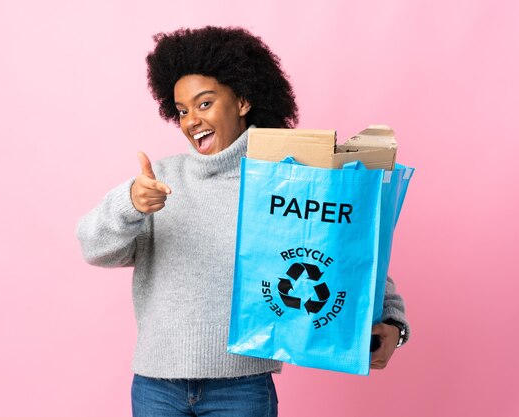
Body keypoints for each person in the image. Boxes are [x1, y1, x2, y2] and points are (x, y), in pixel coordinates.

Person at [76, 26, 409, 417]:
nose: (190, 121)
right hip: (156, 387)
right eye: (182, 110)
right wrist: (129, 203)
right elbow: (93, 248)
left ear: (243, 101)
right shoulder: (158, 182)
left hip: (242, 390)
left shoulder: (286, 179)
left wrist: (393, 321)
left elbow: (345, 251)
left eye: (204, 104)